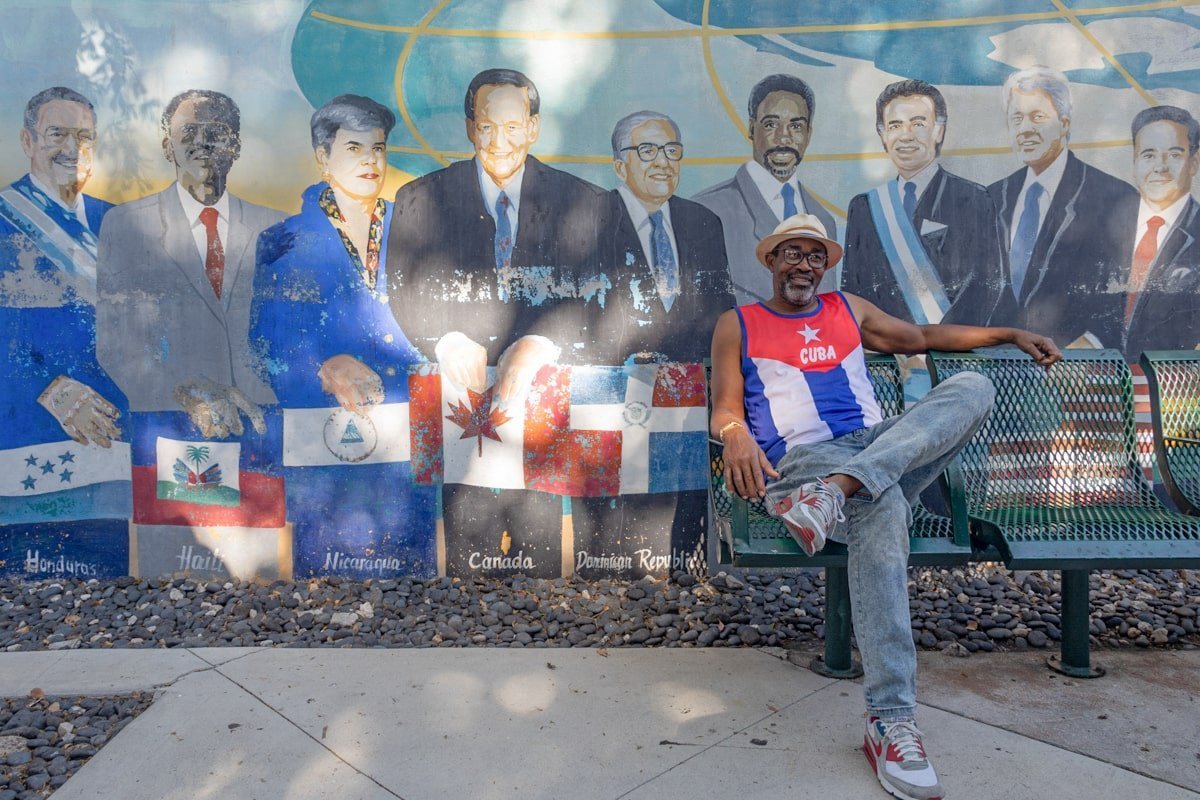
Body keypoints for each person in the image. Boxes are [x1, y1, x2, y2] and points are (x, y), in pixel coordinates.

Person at [709, 213, 1060, 800]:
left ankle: (840, 492)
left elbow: (922, 338)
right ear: (770, 261)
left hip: (870, 451)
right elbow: (724, 407)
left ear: (827, 264)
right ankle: (891, 720)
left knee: (973, 387)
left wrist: (1007, 333)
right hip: (801, 464)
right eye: (792, 254)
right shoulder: (737, 323)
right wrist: (734, 433)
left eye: (815, 255)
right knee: (886, 505)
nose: (804, 265)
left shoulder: (850, 309)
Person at [386, 68, 611, 578]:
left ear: (534, 127)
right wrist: (442, 339)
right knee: (469, 551)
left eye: (514, 127)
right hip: (458, 418)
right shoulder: (420, 199)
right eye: (487, 126)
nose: (501, 141)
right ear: (469, 127)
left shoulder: (587, 203)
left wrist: (542, 342)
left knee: (541, 558)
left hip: (545, 417)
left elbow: (600, 293)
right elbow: (402, 289)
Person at [251, 94, 436, 578]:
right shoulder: (282, 241)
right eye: (354, 148)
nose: (371, 161)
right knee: (329, 573)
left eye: (378, 148)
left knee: (410, 573)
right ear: (322, 157)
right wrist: (320, 366)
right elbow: (264, 343)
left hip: (406, 425)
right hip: (325, 434)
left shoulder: (418, 228)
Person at [96, 90, 285, 563]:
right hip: (172, 435)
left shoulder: (277, 229)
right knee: (174, 573)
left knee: (259, 577)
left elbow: (291, 335)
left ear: (236, 145)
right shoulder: (126, 226)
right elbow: (115, 345)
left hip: (261, 433)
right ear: (167, 146)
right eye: (188, 133)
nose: (202, 143)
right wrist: (184, 389)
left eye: (216, 133)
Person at [572, 110, 735, 578]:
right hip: (612, 401)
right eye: (646, 150)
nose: (662, 162)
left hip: (686, 403)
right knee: (613, 540)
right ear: (619, 164)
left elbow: (721, 314)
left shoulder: (704, 222)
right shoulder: (586, 220)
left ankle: (686, 579)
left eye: (671, 150)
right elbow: (575, 314)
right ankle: (609, 587)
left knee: (682, 530)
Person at [0, 86, 128, 574]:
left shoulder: (116, 223)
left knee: (112, 574)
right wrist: (45, 386)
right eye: (57, 134)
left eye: (85, 137)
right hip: (26, 440)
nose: (72, 149)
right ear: (27, 141)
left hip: (113, 438)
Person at [988, 66, 1137, 349]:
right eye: (1016, 119)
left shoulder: (1114, 197)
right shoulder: (994, 197)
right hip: (996, 370)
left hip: (1072, 377)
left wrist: (1071, 365)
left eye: (1038, 117)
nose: (1025, 129)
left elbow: (1116, 305)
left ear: (1064, 124)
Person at [843, 80, 1005, 328]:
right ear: (882, 134)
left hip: (952, 358)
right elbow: (853, 295)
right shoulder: (864, 208)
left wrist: (937, 347)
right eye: (895, 125)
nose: (906, 135)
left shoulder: (973, 199)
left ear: (939, 130)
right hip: (887, 360)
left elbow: (985, 287)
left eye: (918, 124)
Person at [694, 74, 837, 305]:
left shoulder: (824, 221)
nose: (784, 136)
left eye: (796, 125)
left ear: (808, 134)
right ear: (751, 128)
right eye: (771, 124)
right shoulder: (707, 211)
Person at [1121, 105, 1200, 358]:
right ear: (1134, 162)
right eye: (1148, 155)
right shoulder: (1101, 230)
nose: (1160, 167)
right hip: (1094, 387)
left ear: (1194, 163)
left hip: (1175, 390)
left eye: (1174, 155)